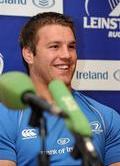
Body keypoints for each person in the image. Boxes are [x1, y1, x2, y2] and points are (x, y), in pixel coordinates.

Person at [0, 12, 120, 166]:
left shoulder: (106, 116)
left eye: (71, 47)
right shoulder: (4, 118)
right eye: (55, 46)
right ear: (29, 54)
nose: (66, 55)